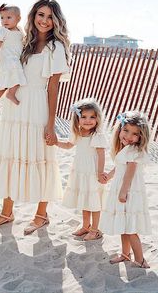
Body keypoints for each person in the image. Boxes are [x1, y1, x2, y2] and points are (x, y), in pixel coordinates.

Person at [0, 0, 70, 234]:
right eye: (40, 15)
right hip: (15, 107)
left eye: (50, 16)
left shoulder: (56, 48)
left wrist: (51, 126)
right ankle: (6, 212)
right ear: (33, 16)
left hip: (38, 107)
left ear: (56, 21)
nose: (45, 20)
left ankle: (41, 215)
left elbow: (53, 89)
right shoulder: (25, 42)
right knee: (11, 156)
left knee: (40, 157)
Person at [100, 111, 152, 268]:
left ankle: (140, 259)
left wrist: (123, 191)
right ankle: (125, 253)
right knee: (124, 223)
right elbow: (120, 167)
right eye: (126, 131)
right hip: (122, 188)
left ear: (141, 137)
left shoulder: (134, 151)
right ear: (119, 130)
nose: (129, 136)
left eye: (135, 134)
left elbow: (129, 172)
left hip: (128, 191)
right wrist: (108, 176)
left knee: (130, 228)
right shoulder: (125, 150)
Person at [56, 99, 111, 240]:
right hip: (80, 171)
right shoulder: (78, 132)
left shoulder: (97, 135)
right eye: (84, 117)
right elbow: (69, 145)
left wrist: (100, 173)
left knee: (94, 202)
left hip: (92, 173)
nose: (88, 120)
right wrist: (56, 142)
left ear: (97, 118)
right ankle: (86, 226)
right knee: (85, 200)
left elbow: (101, 154)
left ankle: (95, 229)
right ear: (77, 118)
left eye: (92, 117)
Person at [0, 4, 27, 113]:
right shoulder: (3, 31)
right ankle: (10, 94)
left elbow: (22, 42)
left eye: (8, 17)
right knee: (15, 77)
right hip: (8, 58)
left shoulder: (19, 31)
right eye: (2, 18)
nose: (4, 20)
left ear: (18, 19)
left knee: (8, 80)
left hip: (16, 58)